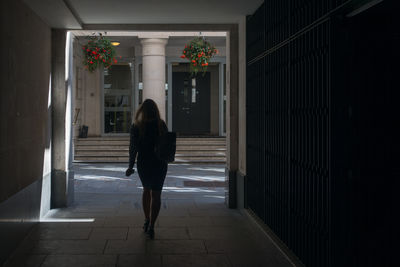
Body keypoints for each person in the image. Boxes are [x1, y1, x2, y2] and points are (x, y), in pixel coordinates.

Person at [125, 99, 168, 240]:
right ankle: (152, 226)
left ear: (142, 110)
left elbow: (133, 148)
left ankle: (146, 219)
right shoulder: (161, 125)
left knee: (146, 190)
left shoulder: (137, 126)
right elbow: (167, 144)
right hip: (159, 163)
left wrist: (130, 166)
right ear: (155, 110)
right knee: (157, 194)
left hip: (144, 163)